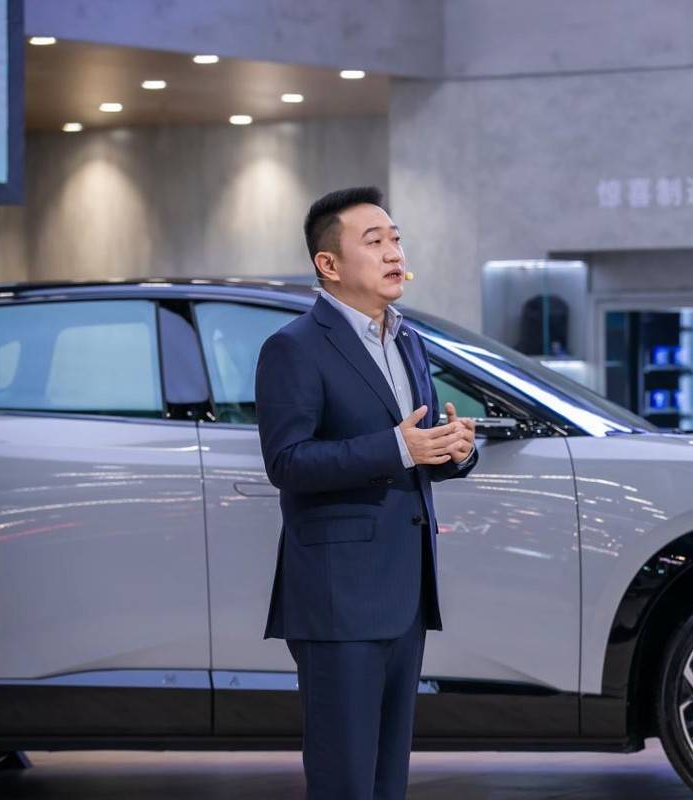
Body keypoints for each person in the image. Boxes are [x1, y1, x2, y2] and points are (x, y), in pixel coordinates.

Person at [255, 186, 478, 799]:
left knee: (387, 778)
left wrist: (454, 449)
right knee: (345, 778)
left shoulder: (407, 340)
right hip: (339, 595)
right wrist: (398, 447)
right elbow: (288, 462)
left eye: (396, 239)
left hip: (405, 588)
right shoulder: (293, 347)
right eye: (374, 241)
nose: (394, 253)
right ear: (328, 264)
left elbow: (415, 445)